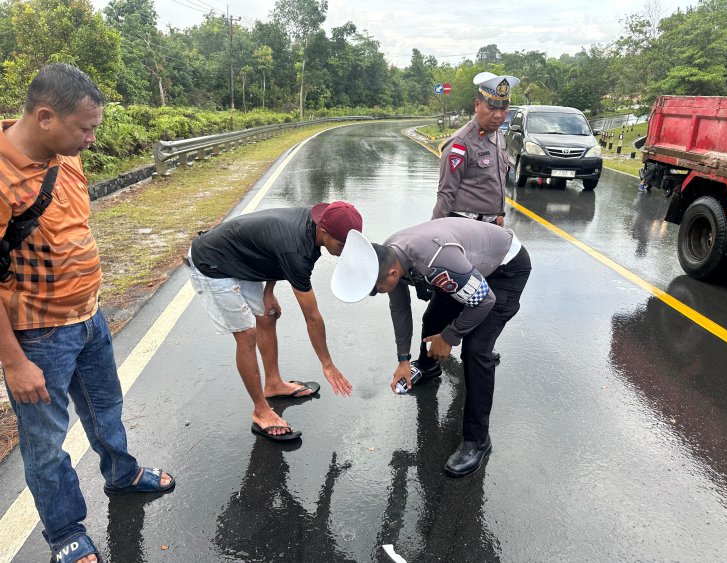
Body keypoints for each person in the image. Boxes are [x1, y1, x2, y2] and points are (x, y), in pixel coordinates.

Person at [0, 64, 174, 563]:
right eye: (86, 128)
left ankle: (122, 473)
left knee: (106, 408)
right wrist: (14, 361)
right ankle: (65, 533)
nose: (93, 140)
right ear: (46, 116)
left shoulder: (63, 156)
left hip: (89, 316)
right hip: (36, 334)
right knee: (46, 443)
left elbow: (71, 229)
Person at [331, 218, 531, 477]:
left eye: (376, 289)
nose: (377, 293)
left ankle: (478, 441)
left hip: (505, 271)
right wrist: (403, 359)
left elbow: (484, 300)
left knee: (476, 350)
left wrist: (450, 337)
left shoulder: (435, 261)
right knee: (432, 319)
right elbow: (400, 307)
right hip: (470, 267)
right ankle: (428, 367)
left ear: (392, 274)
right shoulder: (392, 255)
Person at [185, 201, 361, 442]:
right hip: (213, 261)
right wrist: (327, 364)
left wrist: (268, 292)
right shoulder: (297, 251)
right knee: (246, 334)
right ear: (324, 231)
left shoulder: (324, 219)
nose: (343, 250)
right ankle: (261, 411)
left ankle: (274, 384)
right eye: (341, 245)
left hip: (242, 258)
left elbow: (272, 249)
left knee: (267, 316)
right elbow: (311, 316)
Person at [428, 72, 520, 374]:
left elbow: (496, 182)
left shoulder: (499, 136)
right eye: (491, 107)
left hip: (489, 233)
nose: (498, 115)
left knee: (481, 298)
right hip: (462, 235)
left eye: (503, 108)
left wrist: (499, 214)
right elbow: (445, 197)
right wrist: (434, 248)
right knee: (446, 300)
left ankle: (476, 348)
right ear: (476, 104)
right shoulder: (459, 145)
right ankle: (425, 360)